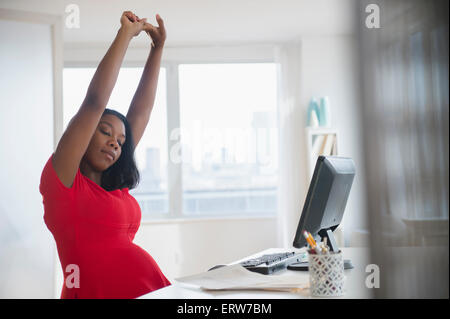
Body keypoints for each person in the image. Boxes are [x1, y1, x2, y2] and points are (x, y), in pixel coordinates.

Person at [39, 11, 170, 299]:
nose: (114, 143)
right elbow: (95, 101)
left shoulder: (115, 189)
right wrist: (125, 33)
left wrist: (156, 49)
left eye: (120, 142)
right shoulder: (64, 186)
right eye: (105, 132)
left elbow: (142, 112)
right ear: (85, 134)